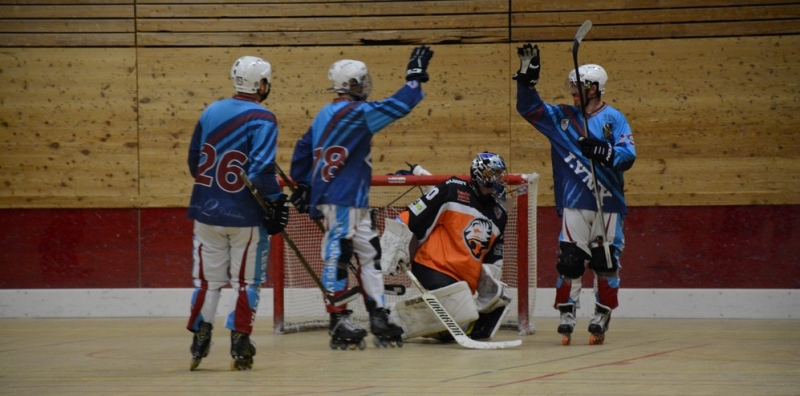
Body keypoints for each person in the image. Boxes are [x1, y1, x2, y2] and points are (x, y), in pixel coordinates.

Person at [289, 46, 434, 349]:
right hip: (342, 197)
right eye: (362, 80)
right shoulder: (356, 114)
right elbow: (397, 106)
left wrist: (302, 186)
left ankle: (378, 314)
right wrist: (413, 79)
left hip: (351, 199)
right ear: (352, 85)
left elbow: (302, 148)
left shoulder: (323, 114)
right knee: (339, 255)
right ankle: (338, 318)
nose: (367, 85)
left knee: (370, 255)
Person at [514, 43, 636, 345]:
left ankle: (603, 311)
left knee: (605, 261)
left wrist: (604, 151)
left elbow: (628, 154)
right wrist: (526, 80)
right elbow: (529, 109)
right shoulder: (562, 118)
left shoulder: (614, 118)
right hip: (574, 200)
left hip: (609, 202)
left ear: (595, 88)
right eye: (571, 85)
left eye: (578, 86)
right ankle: (566, 311)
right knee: (569, 260)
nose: (573, 90)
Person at [186, 55, 289, 370]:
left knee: (207, 281)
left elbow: (194, 161)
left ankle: (200, 337)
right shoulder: (264, 117)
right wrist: (276, 201)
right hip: (244, 217)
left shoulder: (210, 111)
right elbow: (260, 172)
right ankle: (240, 340)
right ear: (260, 84)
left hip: (205, 210)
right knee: (246, 281)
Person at [379, 152, 513, 341]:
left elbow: (493, 259)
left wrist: (492, 287)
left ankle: (432, 329)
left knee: (481, 320)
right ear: (481, 174)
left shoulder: (500, 215)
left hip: (464, 284)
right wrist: (393, 243)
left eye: (501, 173)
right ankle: (391, 319)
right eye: (496, 173)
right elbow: (415, 212)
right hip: (433, 268)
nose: (501, 178)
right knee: (463, 313)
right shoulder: (454, 190)